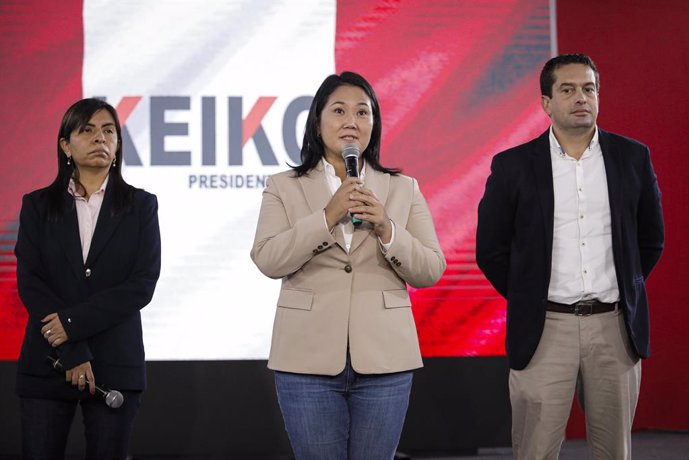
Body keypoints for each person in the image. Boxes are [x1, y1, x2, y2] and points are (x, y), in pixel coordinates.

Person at [476, 53, 664, 459]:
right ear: (546, 103)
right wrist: (528, 295)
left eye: (588, 88)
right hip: (545, 327)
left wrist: (621, 285)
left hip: (614, 328)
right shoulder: (513, 166)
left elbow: (651, 240)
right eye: (567, 90)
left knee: (614, 450)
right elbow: (490, 249)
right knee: (536, 450)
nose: (581, 97)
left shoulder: (632, 158)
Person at [250, 71, 446, 459]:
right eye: (339, 110)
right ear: (318, 121)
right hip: (306, 359)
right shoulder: (284, 186)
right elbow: (268, 258)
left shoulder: (403, 188)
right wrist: (326, 216)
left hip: (385, 359)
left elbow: (430, 269)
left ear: (374, 124)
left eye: (363, 112)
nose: (351, 121)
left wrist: (387, 227)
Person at [15, 98, 161, 459]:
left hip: (115, 363)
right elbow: (31, 282)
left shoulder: (141, 205)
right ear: (66, 144)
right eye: (88, 130)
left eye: (109, 130)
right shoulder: (36, 205)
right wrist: (71, 348)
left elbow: (142, 283)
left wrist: (71, 323)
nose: (101, 138)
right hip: (49, 361)